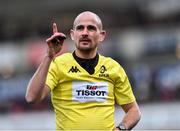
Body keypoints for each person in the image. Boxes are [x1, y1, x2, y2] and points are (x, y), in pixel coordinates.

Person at [25, 11, 141, 131]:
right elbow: (32, 97)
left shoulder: (113, 68)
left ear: (101, 35)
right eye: (80, 28)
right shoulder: (58, 64)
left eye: (91, 28)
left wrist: (121, 128)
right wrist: (49, 56)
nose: (85, 33)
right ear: (72, 34)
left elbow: (134, 110)